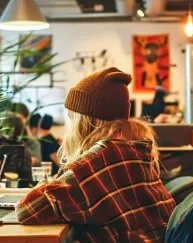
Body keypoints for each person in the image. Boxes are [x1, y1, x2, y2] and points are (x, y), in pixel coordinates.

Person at [16, 67, 176, 242]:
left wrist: (49, 183)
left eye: (73, 117)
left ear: (87, 120)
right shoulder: (135, 149)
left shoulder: (98, 161)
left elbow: (27, 211)